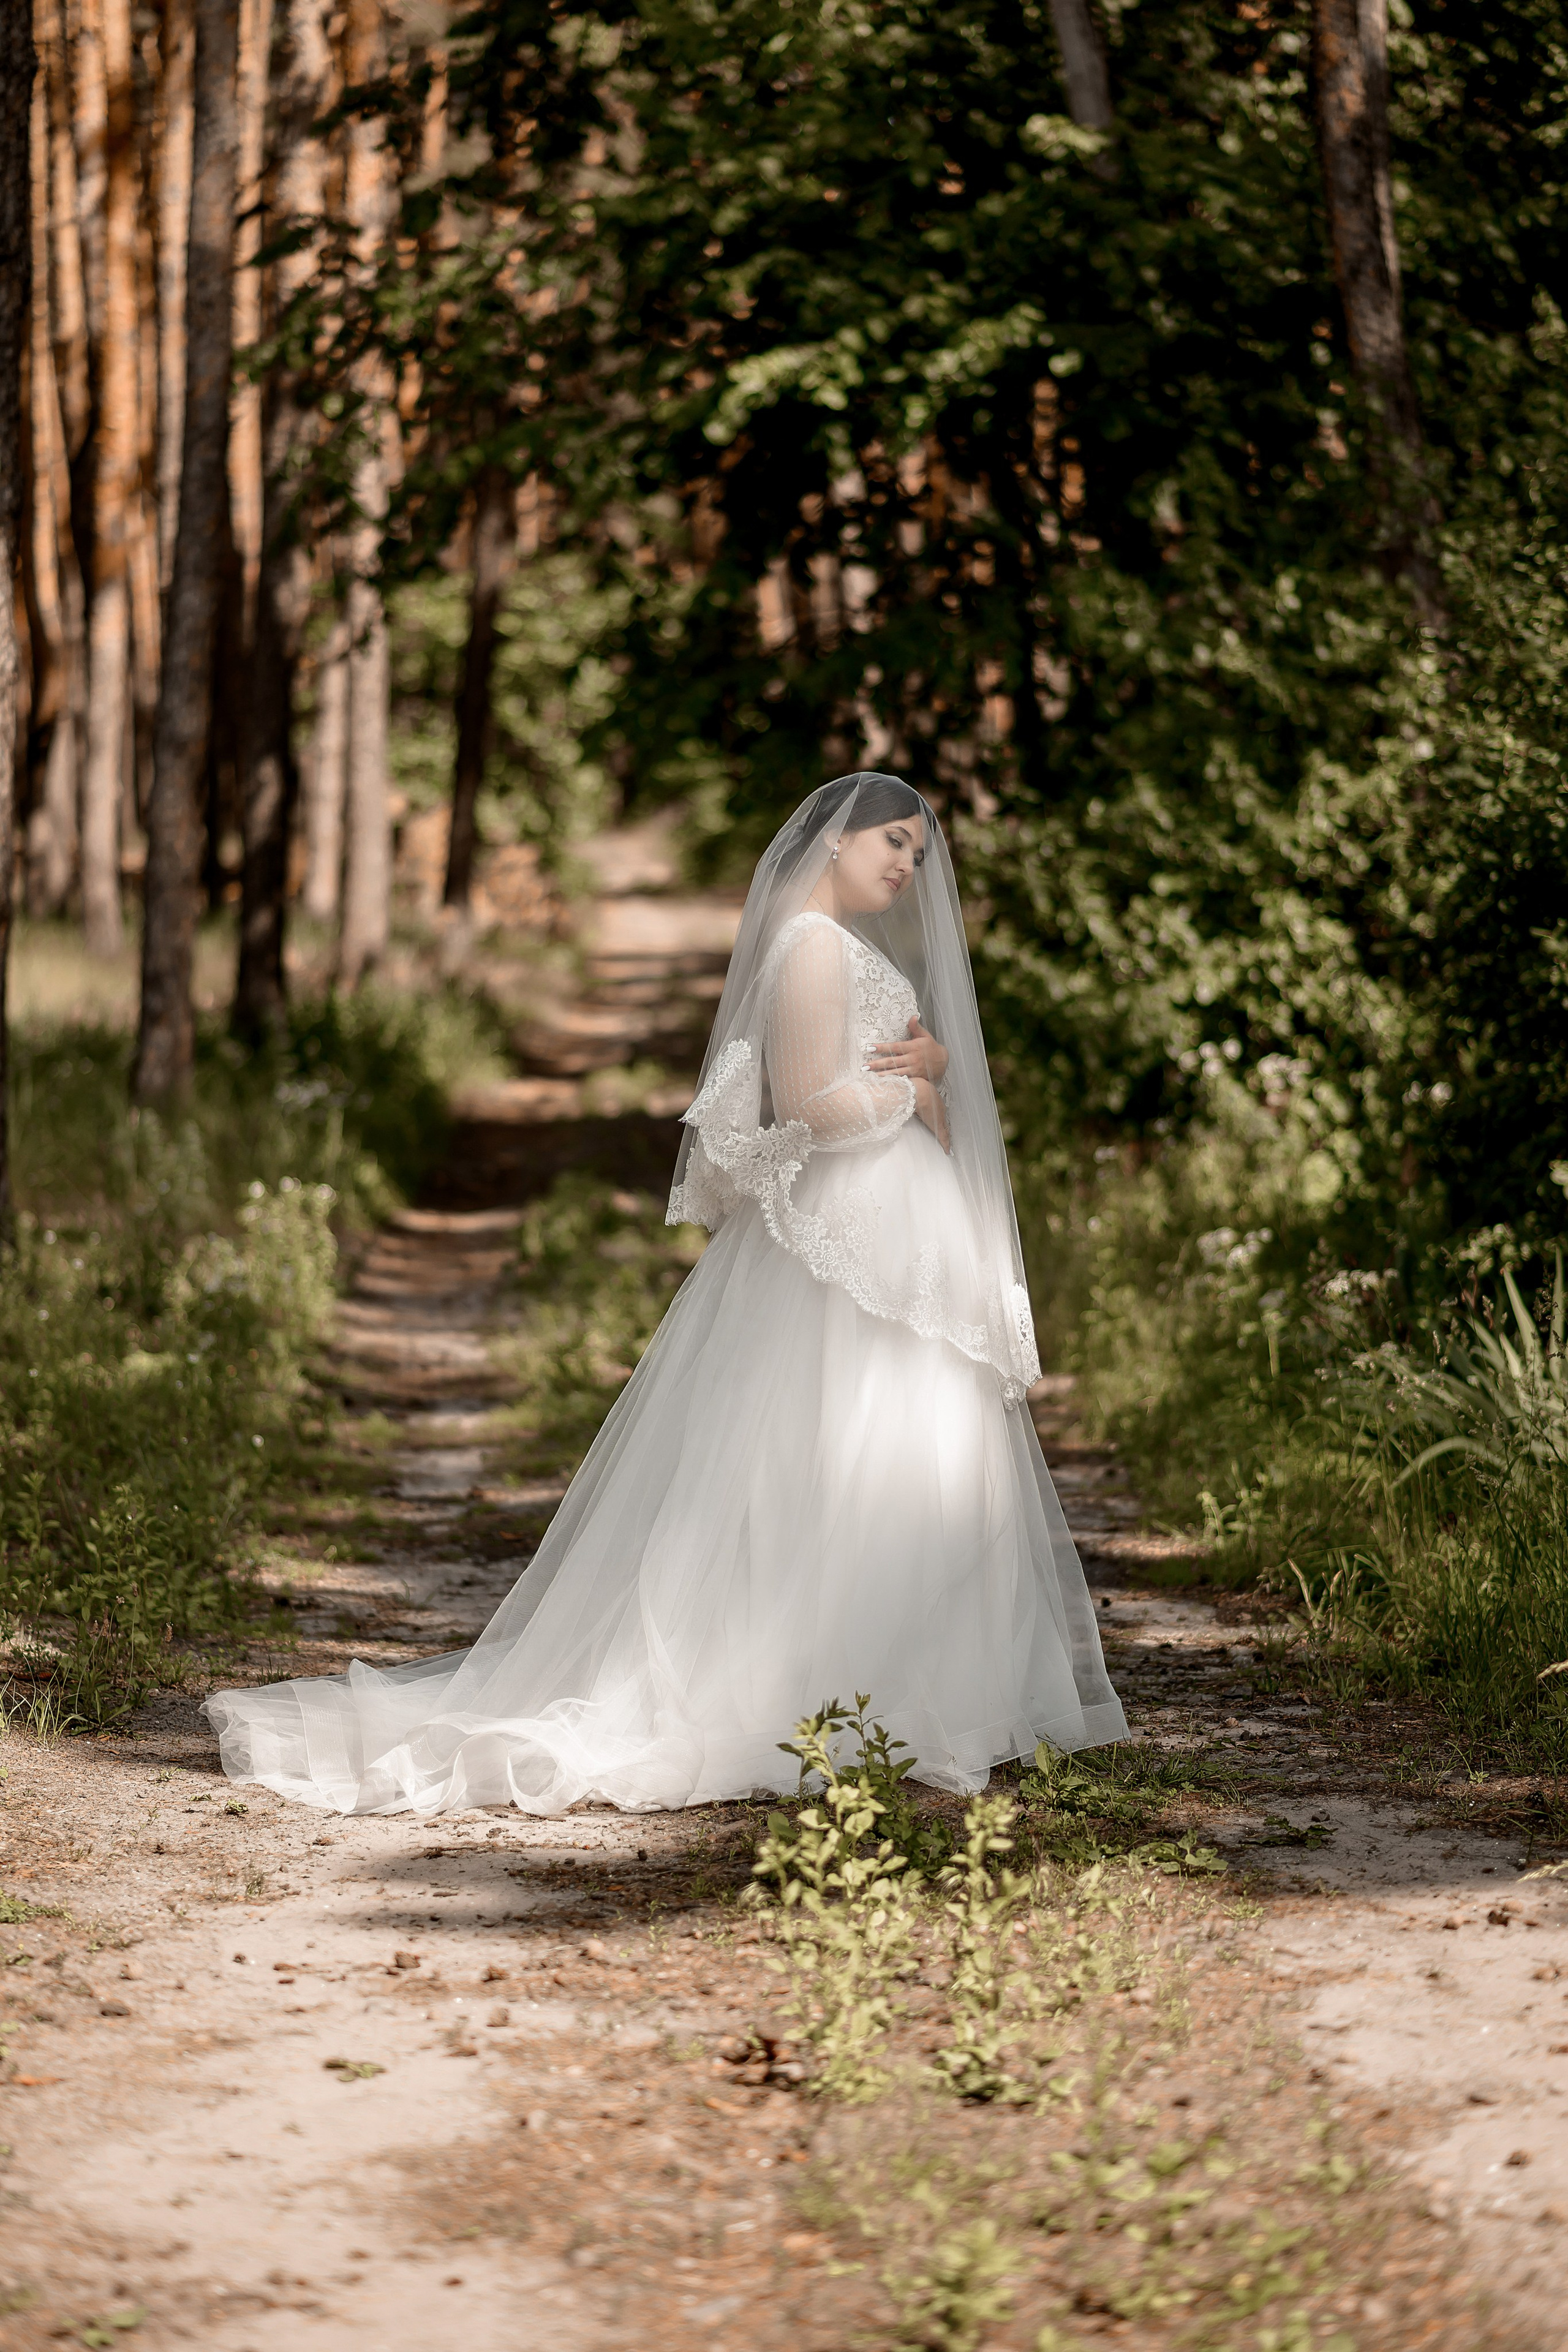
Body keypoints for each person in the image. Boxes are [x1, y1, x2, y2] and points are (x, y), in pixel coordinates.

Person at [205, 774, 1126, 1815]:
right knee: (831, 1452)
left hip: (884, 1239)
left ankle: (901, 1682)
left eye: (918, 851)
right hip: (840, 1244)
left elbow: (883, 1107)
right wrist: (918, 1086)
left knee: (901, 1453)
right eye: (894, 844)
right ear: (834, 840)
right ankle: (839, 1687)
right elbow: (813, 1105)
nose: (909, 866)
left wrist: (932, 1078)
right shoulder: (811, 944)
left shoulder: (832, 940)